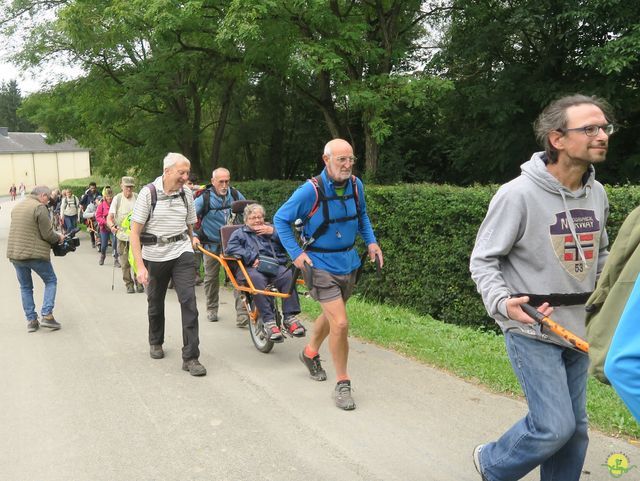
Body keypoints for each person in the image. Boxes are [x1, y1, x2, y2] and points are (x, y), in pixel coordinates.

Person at [469, 94, 613, 481]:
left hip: (579, 329)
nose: (602, 135)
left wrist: (609, 309)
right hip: (531, 326)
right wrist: (502, 303)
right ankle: (493, 464)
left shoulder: (597, 194)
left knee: (576, 429)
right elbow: (483, 260)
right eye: (590, 129)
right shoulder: (517, 194)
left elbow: (601, 259)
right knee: (553, 426)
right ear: (557, 139)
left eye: (604, 127)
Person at [273, 138, 383, 411]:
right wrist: (296, 254)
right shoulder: (309, 191)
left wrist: (371, 241)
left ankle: (309, 353)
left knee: (332, 316)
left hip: (348, 262)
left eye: (350, 160)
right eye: (341, 160)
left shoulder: (356, 186)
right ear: (326, 160)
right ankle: (342, 383)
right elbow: (279, 220)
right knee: (342, 323)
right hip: (319, 264)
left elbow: (363, 216)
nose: (347, 165)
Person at [129, 152, 206, 377]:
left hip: (181, 251)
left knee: (189, 302)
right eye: (181, 172)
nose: (185, 177)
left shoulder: (187, 194)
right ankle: (156, 341)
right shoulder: (148, 194)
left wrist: (192, 237)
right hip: (154, 255)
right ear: (167, 171)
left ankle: (191, 357)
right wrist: (140, 267)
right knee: (155, 301)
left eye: (187, 172)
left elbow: (189, 223)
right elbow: (135, 233)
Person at [226, 203, 305, 341]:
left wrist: (273, 233)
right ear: (246, 220)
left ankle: (289, 318)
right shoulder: (239, 233)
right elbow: (231, 249)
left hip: (274, 265)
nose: (257, 220)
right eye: (253, 218)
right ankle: (269, 321)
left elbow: (289, 243)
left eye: (259, 217)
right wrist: (251, 257)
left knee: (288, 276)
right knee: (257, 279)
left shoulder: (272, 229)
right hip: (251, 268)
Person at [193, 167, 249, 326]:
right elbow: (189, 218)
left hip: (233, 245)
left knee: (240, 277)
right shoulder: (203, 199)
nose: (224, 185)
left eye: (227, 181)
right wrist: (194, 236)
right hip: (211, 244)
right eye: (221, 182)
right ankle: (211, 308)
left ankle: (242, 313)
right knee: (211, 278)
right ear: (213, 182)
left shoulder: (236, 195)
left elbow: (249, 213)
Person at [6, 185, 65, 332]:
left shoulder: (18, 207)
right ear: (43, 195)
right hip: (34, 254)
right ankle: (47, 315)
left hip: (15, 254)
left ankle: (31, 320)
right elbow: (47, 234)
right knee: (51, 280)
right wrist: (59, 238)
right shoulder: (39, 207)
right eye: (49, 198)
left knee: (25, 287)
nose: (49, 201)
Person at [107, 176, 143, 293]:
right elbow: (110, 217)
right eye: (127, 187)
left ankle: (139, 282)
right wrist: (111, 226)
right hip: (122, 237)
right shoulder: (117, 199)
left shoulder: (138, 198)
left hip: (136, 236)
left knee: (138, 260)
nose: (129, 189)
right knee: (124, 262)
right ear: (121, 186)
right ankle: (129, 284)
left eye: (131, 187)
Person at [186, 173, 204, 286]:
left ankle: (196, 273)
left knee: (196, 251)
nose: (191, 186)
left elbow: (203, 187)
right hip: (183, 227)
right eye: (189, 183)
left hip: (195, 226)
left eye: (193, 183)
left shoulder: (197, 194)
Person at [96, 187, 120, 267]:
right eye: (107, 196)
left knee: (115, 243)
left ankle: (116, 259)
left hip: (114, 227)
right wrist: (105, 222)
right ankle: (103, 256)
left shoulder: (115, 204)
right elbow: (98, 216)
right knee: (104, 245)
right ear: (105, 197)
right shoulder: (101, 205)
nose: (109, 198)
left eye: (110, 196)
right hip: (104, 228)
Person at [80, 182, 100, 247]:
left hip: (97, 210)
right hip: (89, 211)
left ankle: (99, 239)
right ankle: (93, 241)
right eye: (91, 188)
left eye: (94, 188)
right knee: (91, 227)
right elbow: (82, 202)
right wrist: (82, 207)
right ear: (89, 188)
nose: (93, 189)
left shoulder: (99, 194)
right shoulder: (87, 195)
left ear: (96, 187)